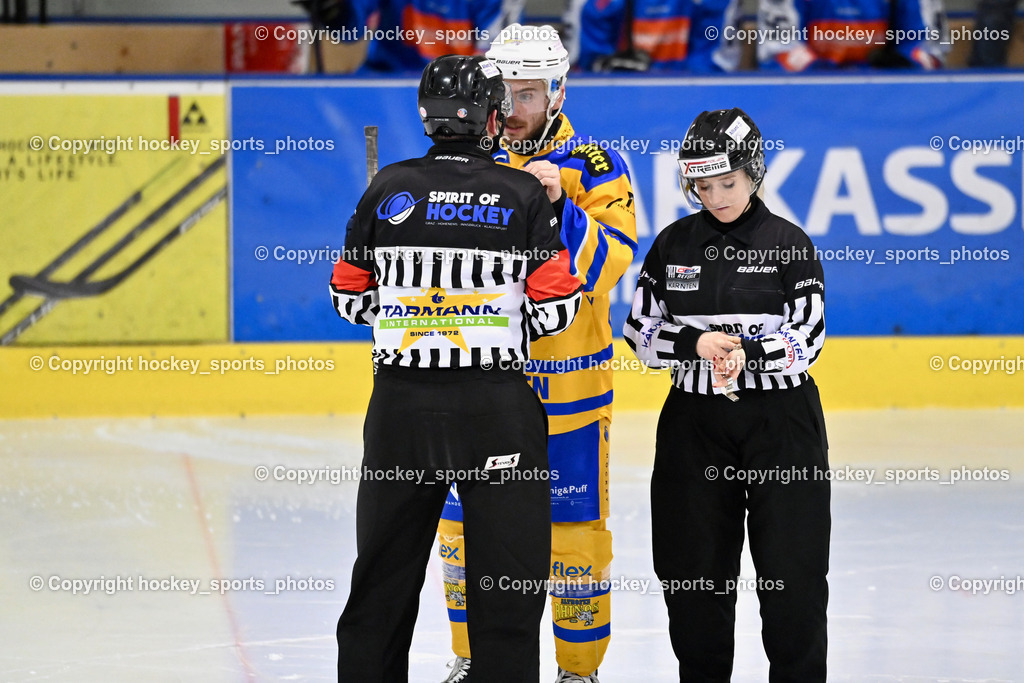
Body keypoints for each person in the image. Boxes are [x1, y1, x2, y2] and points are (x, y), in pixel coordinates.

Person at [332, 54, 583, 682]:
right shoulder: (524, 193)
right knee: (507, 590)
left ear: (426, 116)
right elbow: (557, 311)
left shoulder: (386, 187)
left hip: (399, 413)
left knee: (381, 584)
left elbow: (348, 300)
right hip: (495, 411)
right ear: (492, 118)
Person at [436, 23, 638, 683]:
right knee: (466, 535)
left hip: (570, 395)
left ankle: (579, 671)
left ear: (558, 89)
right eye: (506, 92)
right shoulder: (465, 162)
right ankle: (474, 660)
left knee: (574, 537)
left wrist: (562, 208)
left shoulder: (595, 165)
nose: (517, 109)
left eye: (530, 93)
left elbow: (614, 259)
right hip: (478, 390)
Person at [624, 108, 830, 681]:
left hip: (781, 425)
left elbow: (808, 336)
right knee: (692, 576)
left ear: (754, 173)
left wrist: (749, 352)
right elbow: (639, 331)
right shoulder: (672, 244)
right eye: (703, 186)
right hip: (694, 426)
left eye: (728, 184)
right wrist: (694, 341)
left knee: (793, 576)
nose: (715, 197)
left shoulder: (789, 243)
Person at [293, 0, 524, 73]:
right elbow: (349, 31)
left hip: (460, 100)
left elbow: (496, 65)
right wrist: (334, 10)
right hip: (384, 88)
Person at [757, 0, 948, 70]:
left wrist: (899, 64)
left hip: (888, 101)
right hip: (809, 103)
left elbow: (930, 52)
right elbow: (779, 54)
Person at [562, 0, 743, 72]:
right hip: (619, 106)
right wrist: (608, 67)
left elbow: (715, 66)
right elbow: (583, 69)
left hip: (690, 104)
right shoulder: (589, 4)